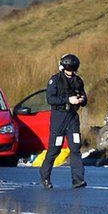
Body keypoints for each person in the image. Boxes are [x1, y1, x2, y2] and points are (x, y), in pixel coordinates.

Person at [39, 53, 88, 189]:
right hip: (59, 117)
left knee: (75, 147)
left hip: (73, 117)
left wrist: (81, 99)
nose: (71, 72)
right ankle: (45, 177)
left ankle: (78, 180)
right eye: (69, 69)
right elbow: (50, 99)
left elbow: (84, 98)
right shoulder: (55, 80)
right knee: (55, 148)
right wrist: (67, 100)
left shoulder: (78, 81)